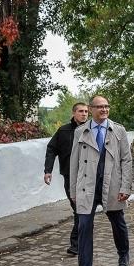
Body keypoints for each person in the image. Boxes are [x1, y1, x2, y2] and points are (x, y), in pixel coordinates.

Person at [68, 96, 131, 266]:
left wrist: (125, 187)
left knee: (117, 222)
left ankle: (123, 254)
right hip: (86, 187)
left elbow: (126, 161)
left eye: (106, 106)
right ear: (91, 108)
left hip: (111, 185)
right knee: (84, 227)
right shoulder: (80, 131)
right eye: (100, 107)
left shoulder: (118, 130)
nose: (104, 110)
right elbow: (74, 164)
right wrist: (73, 190)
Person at [44, 102, 89, 255]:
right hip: (69, 176)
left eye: (86, 111)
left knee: (81, 209)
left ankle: (76, 244)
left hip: (88, 176)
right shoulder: (63, 131)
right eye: (81, 111)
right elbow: (51, 149)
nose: (84, 114)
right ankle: (80, 240)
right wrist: (48, 170)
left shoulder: (91, 130)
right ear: (74, 113)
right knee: (78, 208)